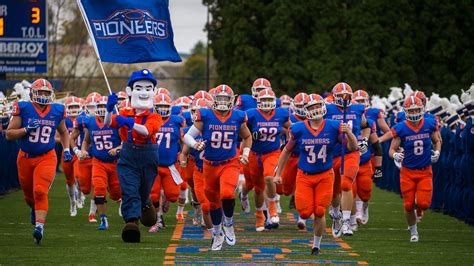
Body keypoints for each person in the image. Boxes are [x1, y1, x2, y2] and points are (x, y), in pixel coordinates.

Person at [274, 93, 357, 255]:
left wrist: (349, 133)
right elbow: (286, 151)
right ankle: (330, 222)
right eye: (311, 107)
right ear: (305, 110)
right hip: (304, 176)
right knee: (304, 211)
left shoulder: (333, 126)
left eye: (317, 105)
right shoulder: (298, 128)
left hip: (325, 175)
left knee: (319, 210)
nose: (315, 109)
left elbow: (352, 147)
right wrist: (278, 173)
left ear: (323, 106)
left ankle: (316, 245)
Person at [184, 84, 252, 251]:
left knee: (227, 193)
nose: (222, 102)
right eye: (219, 98)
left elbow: (248, 136)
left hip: (230, 163)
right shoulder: (205, 115)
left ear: (231, 100)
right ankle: (217, 233)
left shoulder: (237, 116)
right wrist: (195, 144)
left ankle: (228, 223)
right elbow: (187, 136)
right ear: (213, 100)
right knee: (213, 203)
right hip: (209, 165)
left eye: (225, 99)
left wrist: (246, 153)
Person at [6, 78, 73, 244]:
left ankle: (39, 228)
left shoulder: (57, 110)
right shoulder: (24, 107)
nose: (43, 95)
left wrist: (66, 150)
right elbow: (9, 134)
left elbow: (64, 132)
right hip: (25, 157)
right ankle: (34, 209)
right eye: (40, 92)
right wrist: (26, 129)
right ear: (32, 93)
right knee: (29, 196)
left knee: (40, 191)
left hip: (47, 156)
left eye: (46, 92)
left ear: (50, 94)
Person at [104, 69, 162, 243]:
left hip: (148, 155)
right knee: (129, 190)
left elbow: (146, 131)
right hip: (128, 155)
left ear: (153, 92)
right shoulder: (124, 113)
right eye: (139, 87)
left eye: (148, 88)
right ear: (130, 92)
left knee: (143, 191)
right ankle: (131, 222)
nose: (143, 92)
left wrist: (131, 123)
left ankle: (146, 203)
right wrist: (108, 109)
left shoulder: (155, 116)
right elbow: (108, 123)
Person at [389, 96, 441, 242]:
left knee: (424, 203)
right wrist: (396, 155)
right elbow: (391, 150)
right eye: (411, 111)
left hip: (425, 171)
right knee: (408, 204)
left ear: (422, 109)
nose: (413, 113)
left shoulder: (430, 124)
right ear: (406, 111)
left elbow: (437, 141)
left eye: (416, 110)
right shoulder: (401, 128)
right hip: (407, 172)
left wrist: (437, 152)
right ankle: (413, 232)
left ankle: (419, 211)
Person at [325, 82, 370, 237]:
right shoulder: (328, 109)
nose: (343, 99)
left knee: (346, 184)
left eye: (346, 96)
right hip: (333, 153)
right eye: (340, 96)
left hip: (351, 152)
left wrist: (364, 140)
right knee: (334, 189)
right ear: (334, 97)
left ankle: (346, 222)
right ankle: (337, 215)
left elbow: (366, 125)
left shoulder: (358, 109)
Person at [246, 89, 290, 231]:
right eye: (263, 100)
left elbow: (293, 127)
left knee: (270, 177)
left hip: (272, 152)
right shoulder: (252, 114)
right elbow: (242, 134)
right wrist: (252, 135)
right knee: (258, 189)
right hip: (255, 154)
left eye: (269, 100)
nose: (266, 103)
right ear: (258, 101)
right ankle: (259, 215)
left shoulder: (281, 113)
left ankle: (272, 208)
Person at [81, 96, 122, 230]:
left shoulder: (115, 121)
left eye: (105, 106)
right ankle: (103, 219)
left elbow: (125, 142)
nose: (102, 109)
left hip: (115, 162)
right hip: (98, 162)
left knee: (116, 193)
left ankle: (119, 199)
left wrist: (117, 149)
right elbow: (86, 140)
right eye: (100, 107)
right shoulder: (91, 122)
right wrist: (82, 150)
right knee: (99, 189)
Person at [149, 93, 185, 233]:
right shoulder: (150, 120)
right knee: (153, 195)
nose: (163, 109)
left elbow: (182, 140)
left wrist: (183, 154)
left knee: (173, 196)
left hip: (171, 165)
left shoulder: (177, 121)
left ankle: (165, 199)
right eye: (160, 106)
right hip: (154, 165)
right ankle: (158, 219)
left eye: (165, 106)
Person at [70, 92, 101, 222]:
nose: (93, 109)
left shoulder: (107, 118)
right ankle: (81, 195)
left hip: (99, 158)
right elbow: (72, 137)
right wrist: (77, 150)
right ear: (86, 106)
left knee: (96, 185)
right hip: (84, 157)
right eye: (91, 106)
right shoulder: (81, 119)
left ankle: (91, 214)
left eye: (96, 106)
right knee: (85, 189)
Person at [281, 92, 308, 229]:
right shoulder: (289, 117)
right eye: (300, 106)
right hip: (290, 156)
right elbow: (278, 129)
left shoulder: (314, 117)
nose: (303, 109)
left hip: (306, 157)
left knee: (302, 187)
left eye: (305, 106)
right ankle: (290, 196)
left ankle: (302, 216)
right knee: (285, 188)